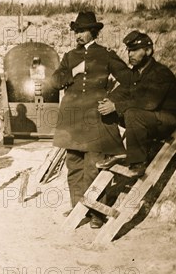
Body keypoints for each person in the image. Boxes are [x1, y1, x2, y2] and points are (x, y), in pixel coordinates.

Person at [51, 12, 131, 228]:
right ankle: (78, 208)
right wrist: (73, 72)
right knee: (74, 165)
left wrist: (113, 102)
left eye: (82, 30)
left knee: (94, 166)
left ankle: (96, 213)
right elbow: (55, 81)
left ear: (93, 32)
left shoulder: (106, 55)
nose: (78, 34)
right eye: (76, 30)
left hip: (96, 119)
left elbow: (130, 81)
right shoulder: (69, 56)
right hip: (72, 120)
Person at [96, 31, 176, 177]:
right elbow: (124, 90)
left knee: (132, 113)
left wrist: (116, 106)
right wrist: (109, 100)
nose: (130, 55)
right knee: (106, 108)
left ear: (148, 51)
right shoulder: (136, 72)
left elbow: (149, 102)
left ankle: (138, 163)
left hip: (165, 120)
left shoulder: (160, 73)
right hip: (146, 118)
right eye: (129, 51)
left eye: (135, 50)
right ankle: (115, 152)